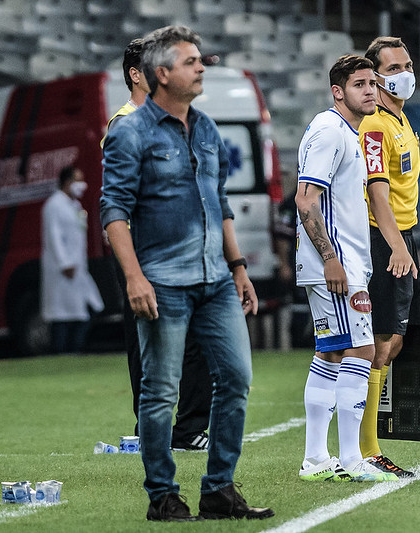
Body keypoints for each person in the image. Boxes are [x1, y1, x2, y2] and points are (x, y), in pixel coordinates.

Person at [101, 25, 273, 522]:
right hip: (163, 281)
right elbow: (112, 209)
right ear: (161, 73)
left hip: (216, 279)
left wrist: (238, 266)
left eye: (201, 60)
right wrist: (134, 277)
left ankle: (218, 487)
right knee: (160, 391)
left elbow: (219, 203)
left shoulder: (207, 127)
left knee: (237, 378)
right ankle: (162, 494)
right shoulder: (129, 131)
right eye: (191, 61)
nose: (201, 68)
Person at [104, 38, 211, 452]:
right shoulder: (125, 122)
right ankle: (161, 429)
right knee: (149, 341)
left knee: (194, 337)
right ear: (137, 74)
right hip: (143, 246)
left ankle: (185, 428)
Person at [295, 54, 397, 483]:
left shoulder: (346, 132)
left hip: (338, 263)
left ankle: (317, 458)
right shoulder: (330, 132)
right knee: (363, 351)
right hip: (336, 266)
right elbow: (305, 199)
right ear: (338, 91)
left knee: (332, 353)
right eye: (359, 84)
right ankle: (353, 459)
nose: (370, 90)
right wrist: (332, 259)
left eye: (373, 83)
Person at [358, 36, 420, 478]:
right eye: (394, 67)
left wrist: (407, 242)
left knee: (393, 340)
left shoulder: (401, 120)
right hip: (383, 237)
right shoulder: (376, 125)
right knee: (379, 342)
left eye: (407, 64)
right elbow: (377, 191)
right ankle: (366, 448)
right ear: (376, 75)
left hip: (402, 235)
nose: (404, 73)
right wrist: (397, 245)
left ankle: (365, 443)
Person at [41, 165, 104, 354]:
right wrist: (64, 263)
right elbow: (54, 237)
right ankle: (63, 352)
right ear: (67, 182)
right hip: (63, 270)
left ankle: (74, 349)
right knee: (62, 315)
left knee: (92, 306)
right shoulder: (54, 205)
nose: (82, 185)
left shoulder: (75, 205)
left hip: (79, 268)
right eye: (78, 180)